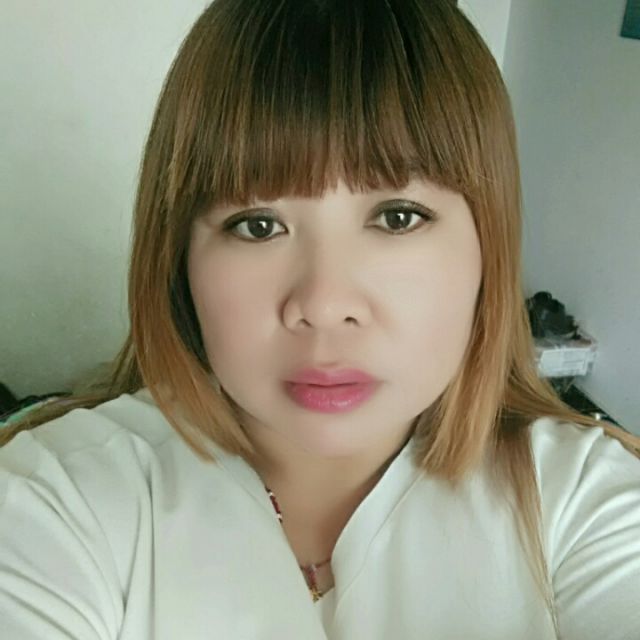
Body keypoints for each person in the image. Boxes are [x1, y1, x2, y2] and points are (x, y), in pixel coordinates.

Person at [1, 1, 639, 638]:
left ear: (487, 244)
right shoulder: (55, 500)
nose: (325, 303)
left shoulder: (584, 502)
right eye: (258, 225)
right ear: (179, 257)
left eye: (397, 217)